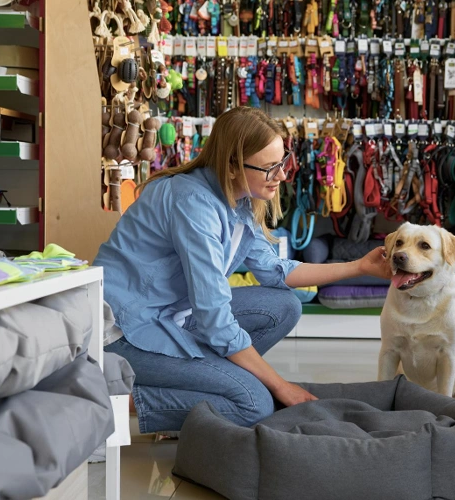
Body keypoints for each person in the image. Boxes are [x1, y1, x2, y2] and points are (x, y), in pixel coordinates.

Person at [94, 107, 391, 434]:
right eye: (270, 168)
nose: (282, 176)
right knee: (254, 402)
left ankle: (211, 383)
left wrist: (360, 267)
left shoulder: (239, 202)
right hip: (124, 331)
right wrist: (279, 385)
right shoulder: (193, 203)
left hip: (169, 316)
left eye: (283, 162)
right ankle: (109, 400)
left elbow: (277, 271)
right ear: (232, 165)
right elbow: (214, 318)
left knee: (284, 306)